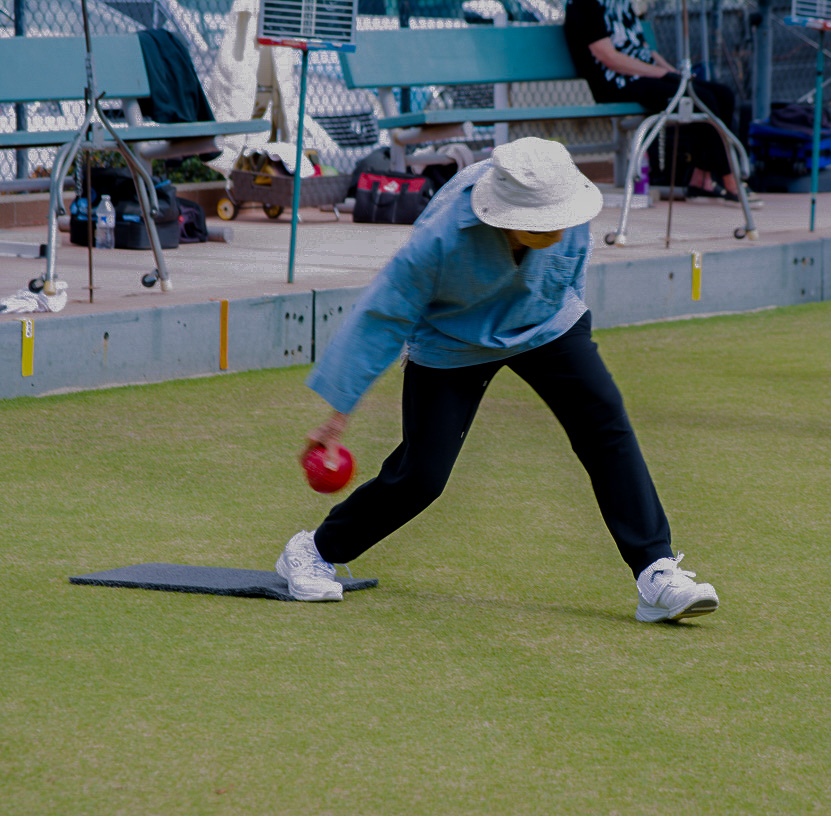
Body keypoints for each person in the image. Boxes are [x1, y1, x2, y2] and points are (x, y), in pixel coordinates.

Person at [276, 137, 720, 623]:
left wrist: (575, 346)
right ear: (505, 216)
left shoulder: (566, 205)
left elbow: (571, 280)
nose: (560, 227)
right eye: (542, 223)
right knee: (422, 477)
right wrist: (336, 419)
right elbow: (383, 316)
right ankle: (315, 550)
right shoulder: (440, 239)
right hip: (453, 338)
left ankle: (655, 571)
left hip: (547, 320)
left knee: (604, 425)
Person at [562, 0, 751, 203]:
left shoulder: (620, 3)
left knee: (723, 95)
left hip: (644, 76)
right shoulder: (582, 5)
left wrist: (674, 73)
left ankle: (701, 179)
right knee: (703, 99)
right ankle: (731, 181)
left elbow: (646, 51)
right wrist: (661, 74)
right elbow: (609, 58)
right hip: (615, 83)